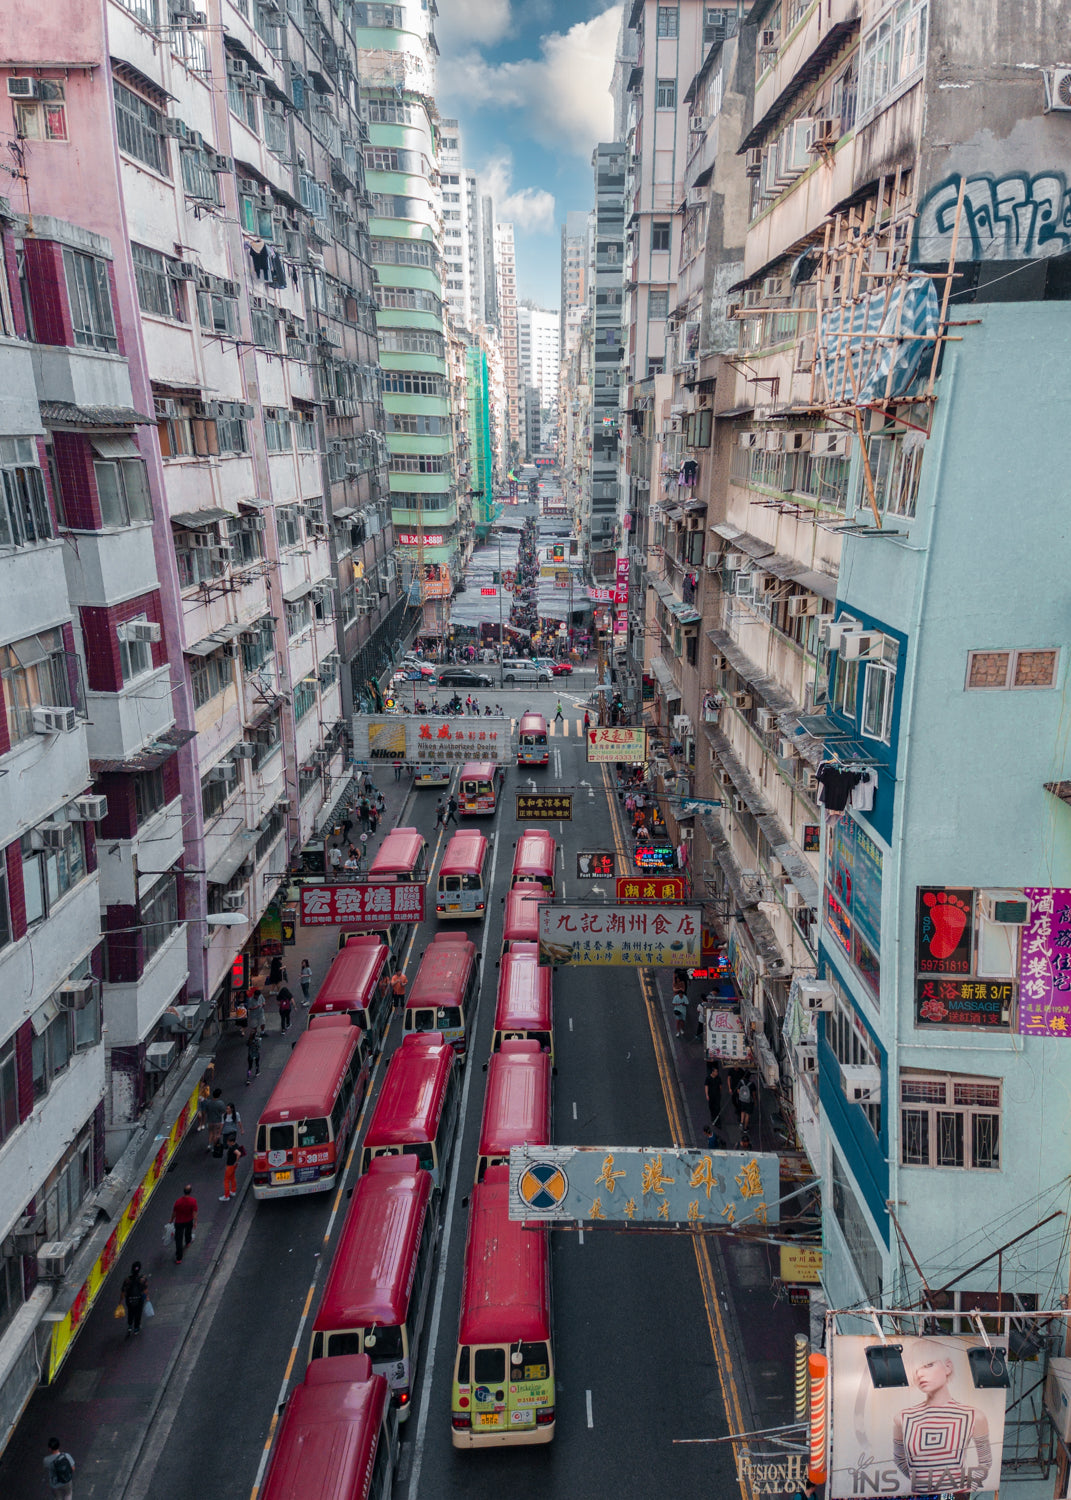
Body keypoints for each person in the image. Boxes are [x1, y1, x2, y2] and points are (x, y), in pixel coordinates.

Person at [892, 1340, 992, 1492]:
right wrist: (924, 1486)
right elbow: (900, 1460)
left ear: (948, 1367)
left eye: (928, 1365)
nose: (920, 1374)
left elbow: (985, 1463)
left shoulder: (973, 1416)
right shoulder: (903, 1418)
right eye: (915, 1368)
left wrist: (961, 1489)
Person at [170, 1184, 198, 1265]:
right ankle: (188, 1242)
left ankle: (179, 1258)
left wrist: (171, 1219)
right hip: (188, 1220)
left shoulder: (178, 1201)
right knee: (188, 1231)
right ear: (190, 1192)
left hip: (179, 1222)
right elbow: (194, 1213)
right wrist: (195, 1222)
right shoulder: (193, 1201)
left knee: (178, 1240)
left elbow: (174, 1213)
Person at [121, 1261, 149, 1335]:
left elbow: (123, 1291)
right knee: (138, 1313)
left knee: (130, 1312)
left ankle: (130, 1325)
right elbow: (145, 1289)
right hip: (139, 1299)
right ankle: (136, 1328)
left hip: (129, 1300)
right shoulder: (143, 1278)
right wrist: (147, 1298)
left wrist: (120, 1301)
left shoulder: (127, 1280)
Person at [220, 1138, 243, 1202]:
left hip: (230, 1165)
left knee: (226, 1180)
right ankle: (233, 1190)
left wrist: (236, 1161)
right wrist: (236, 1162)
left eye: (228, 1142)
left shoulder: (233, 1148)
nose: (227, 1143)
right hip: (234, 1165)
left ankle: (226, 1195)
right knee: (232, 1177)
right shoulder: (236, 1145)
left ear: (231, 1142)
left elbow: (238, 1153)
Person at [204, 1087, 226, 1153]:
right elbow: (223, 1111)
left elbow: (205, 1111)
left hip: (210, 1121)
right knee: (216, 1134)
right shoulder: (220, 1103)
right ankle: (214, 1147)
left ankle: (209, 1145)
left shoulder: (208, 1103)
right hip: (217, 1121)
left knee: (210, 1133)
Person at [672, 972, 689, 1037]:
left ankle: (681, 1029)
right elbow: (673, 1003)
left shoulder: (685, 997)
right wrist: (678, 1004)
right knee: (677, 1021)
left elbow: (687, 1003)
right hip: (677, 1010)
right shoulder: (676, 997)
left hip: (683, 1011)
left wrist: (683, 1004)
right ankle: (678, 1031)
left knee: (682, 1021)